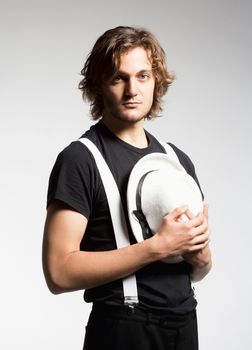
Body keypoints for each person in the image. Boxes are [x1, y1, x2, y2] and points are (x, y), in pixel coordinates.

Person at [42, 26, 212, 350]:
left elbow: (199, 269)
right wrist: (155, 248)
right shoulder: (81, 159)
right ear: (99, 85)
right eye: (119, 78)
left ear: (156, 81)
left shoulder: (177, 161)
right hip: (124, 330)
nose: (132, 89)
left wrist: (201, 254)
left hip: (185, 325)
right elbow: (58, 272)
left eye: (143, 76)